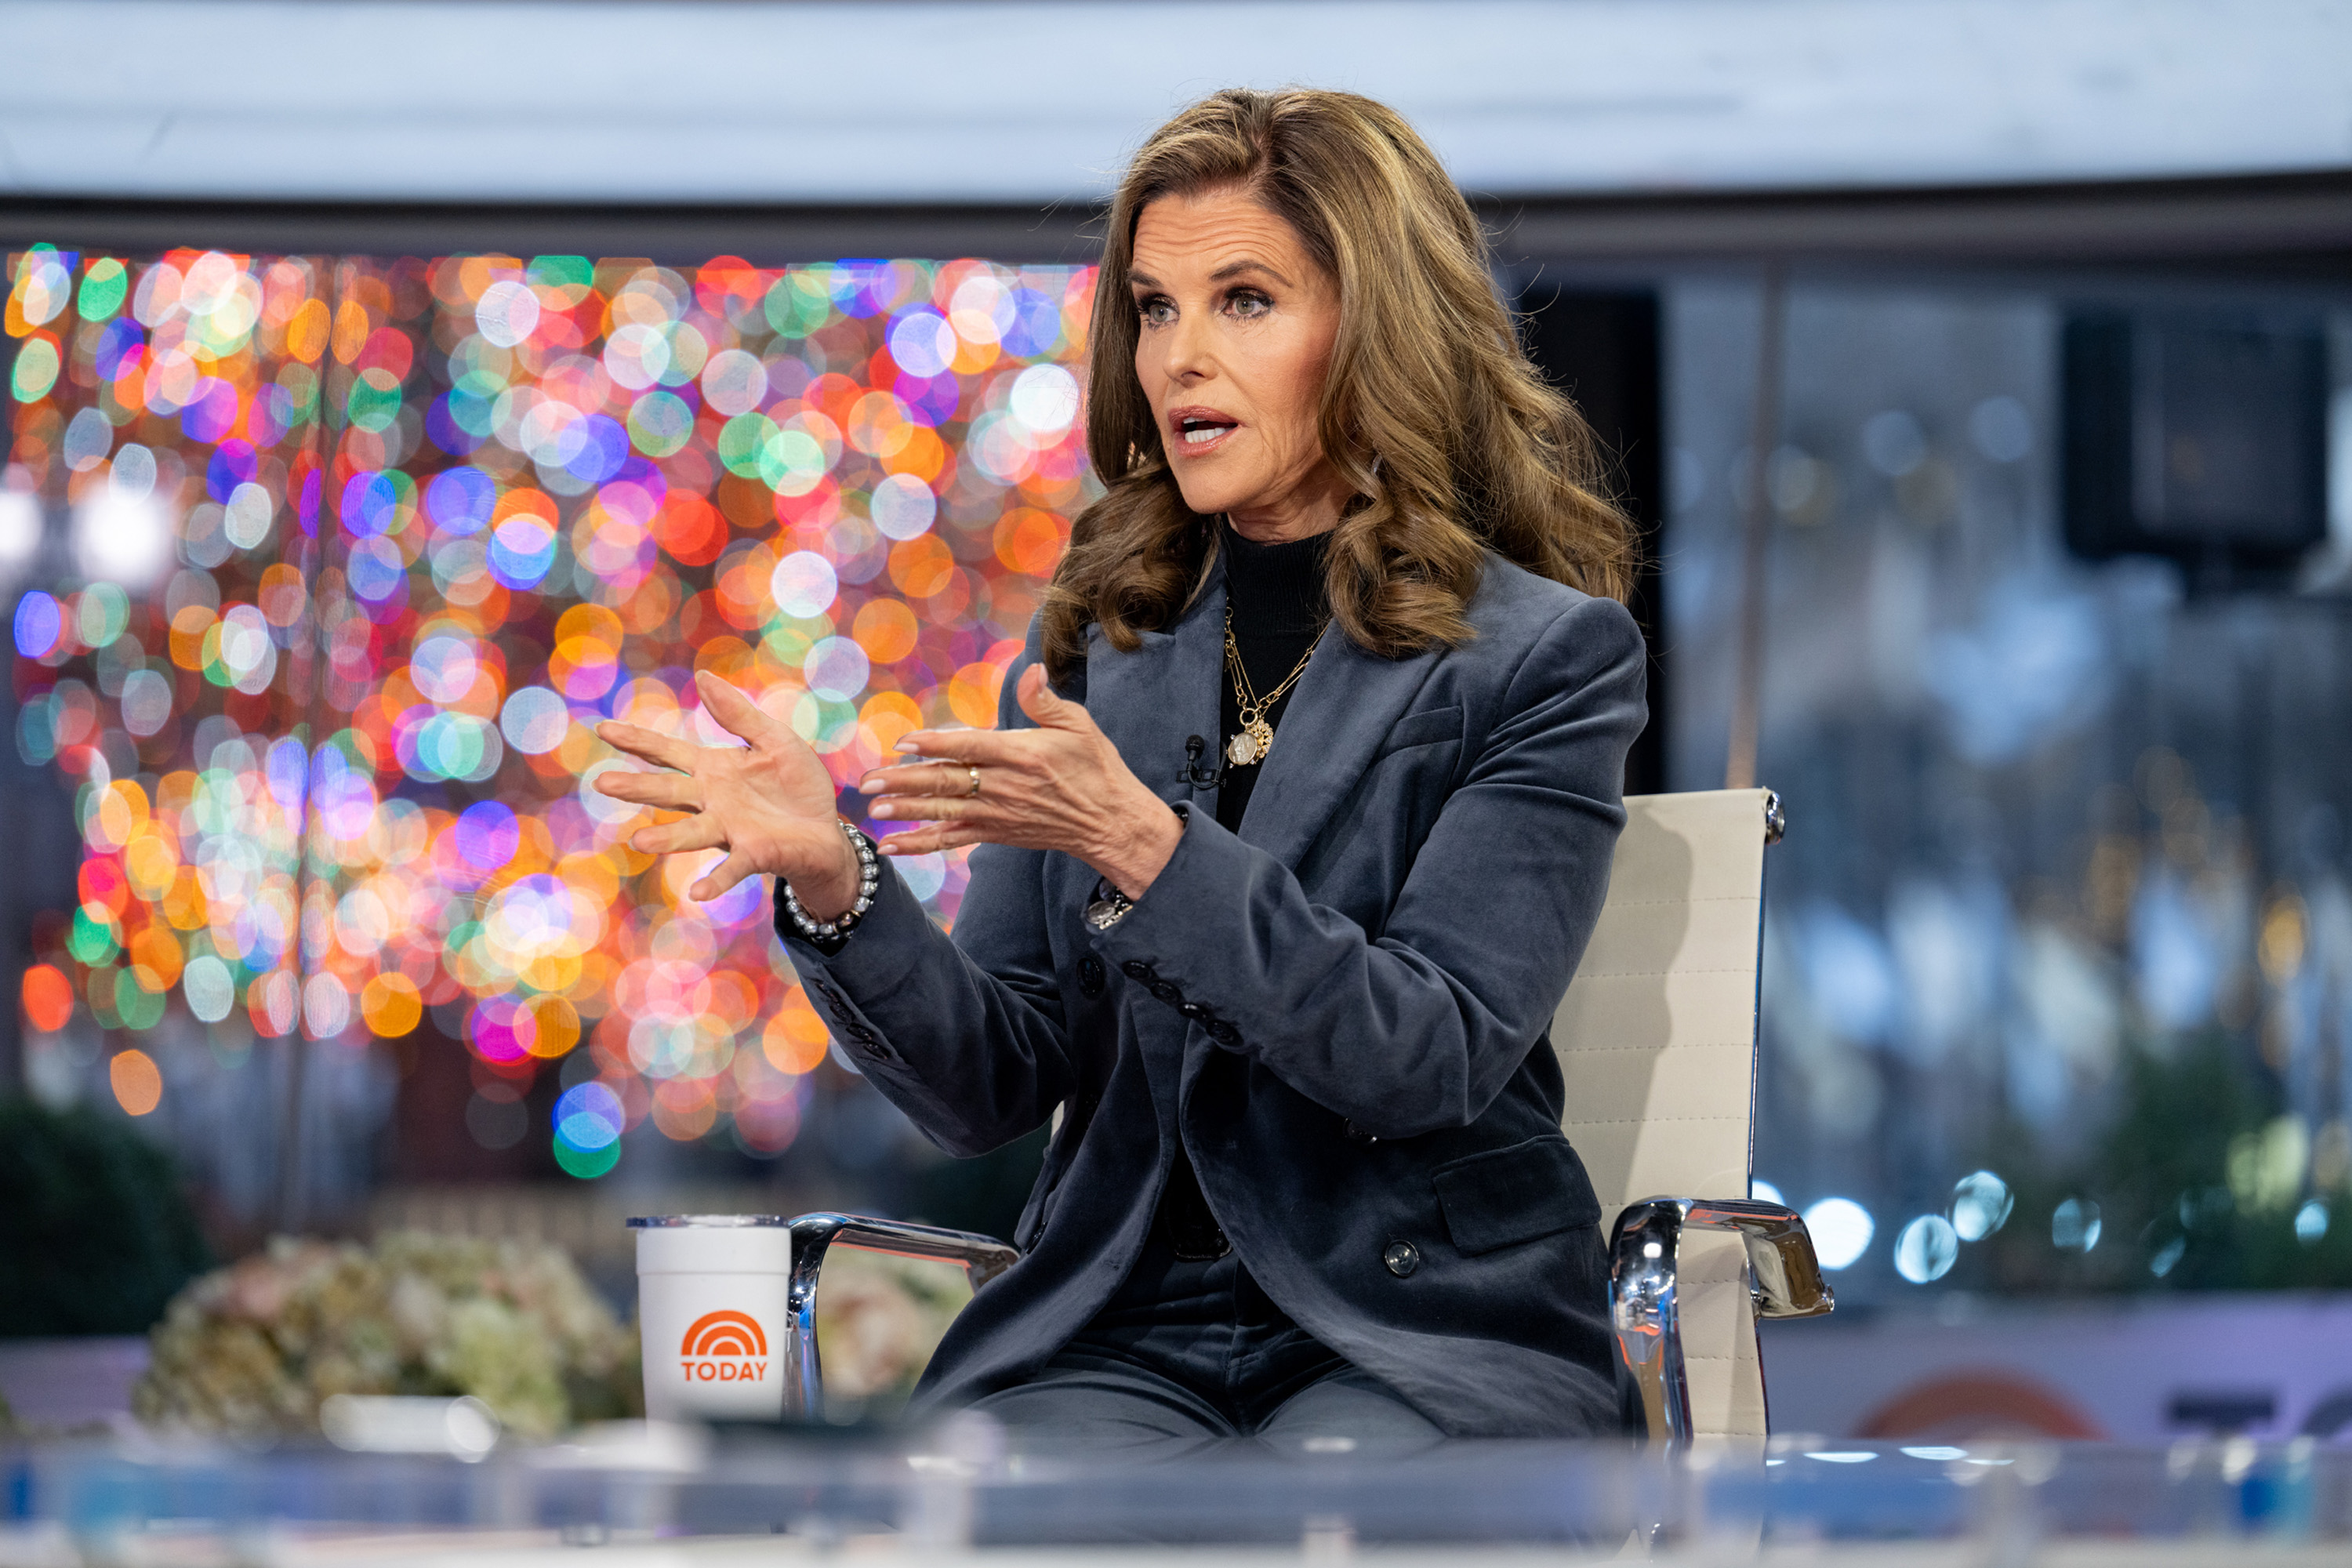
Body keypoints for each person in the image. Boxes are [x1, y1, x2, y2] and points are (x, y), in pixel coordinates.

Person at [595, 87, 1645, 1454]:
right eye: (1154, 308)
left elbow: (1424, 1054)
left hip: (1414, 1325)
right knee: (983, 1518)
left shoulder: (1542, 659)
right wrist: (838, 879)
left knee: (1325, 1526)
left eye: (1244, 301)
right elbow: (993, 1078)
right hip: (1121, 1324)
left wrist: (1148, 851)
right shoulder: (1098, 642)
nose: (1181, 358)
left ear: (1374, 324)